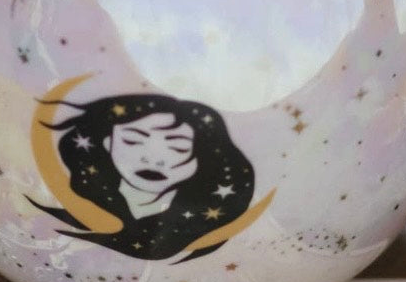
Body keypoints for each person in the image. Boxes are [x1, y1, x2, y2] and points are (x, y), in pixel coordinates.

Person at [30, 91, 258, 261]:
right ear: (108, 143)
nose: (153, 159)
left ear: (200, 159)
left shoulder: (201, 219)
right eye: (133, 140)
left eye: (177, 147)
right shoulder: (84, 202)